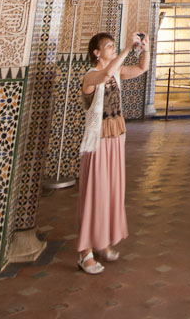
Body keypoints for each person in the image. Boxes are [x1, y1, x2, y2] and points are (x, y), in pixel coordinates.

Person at [77, 31, 150, 274]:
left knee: (111, 192)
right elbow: (106, 73)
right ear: (97, 53)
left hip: (116, 138)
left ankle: (103, 242)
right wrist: (128, 48)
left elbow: (141, 69)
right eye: (108, 46)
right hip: (97, 142)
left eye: (112, 45)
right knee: (95, 194)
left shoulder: (117, 72)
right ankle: (85, 251)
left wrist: (145, 48)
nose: (111, 48)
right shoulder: (90, 77)